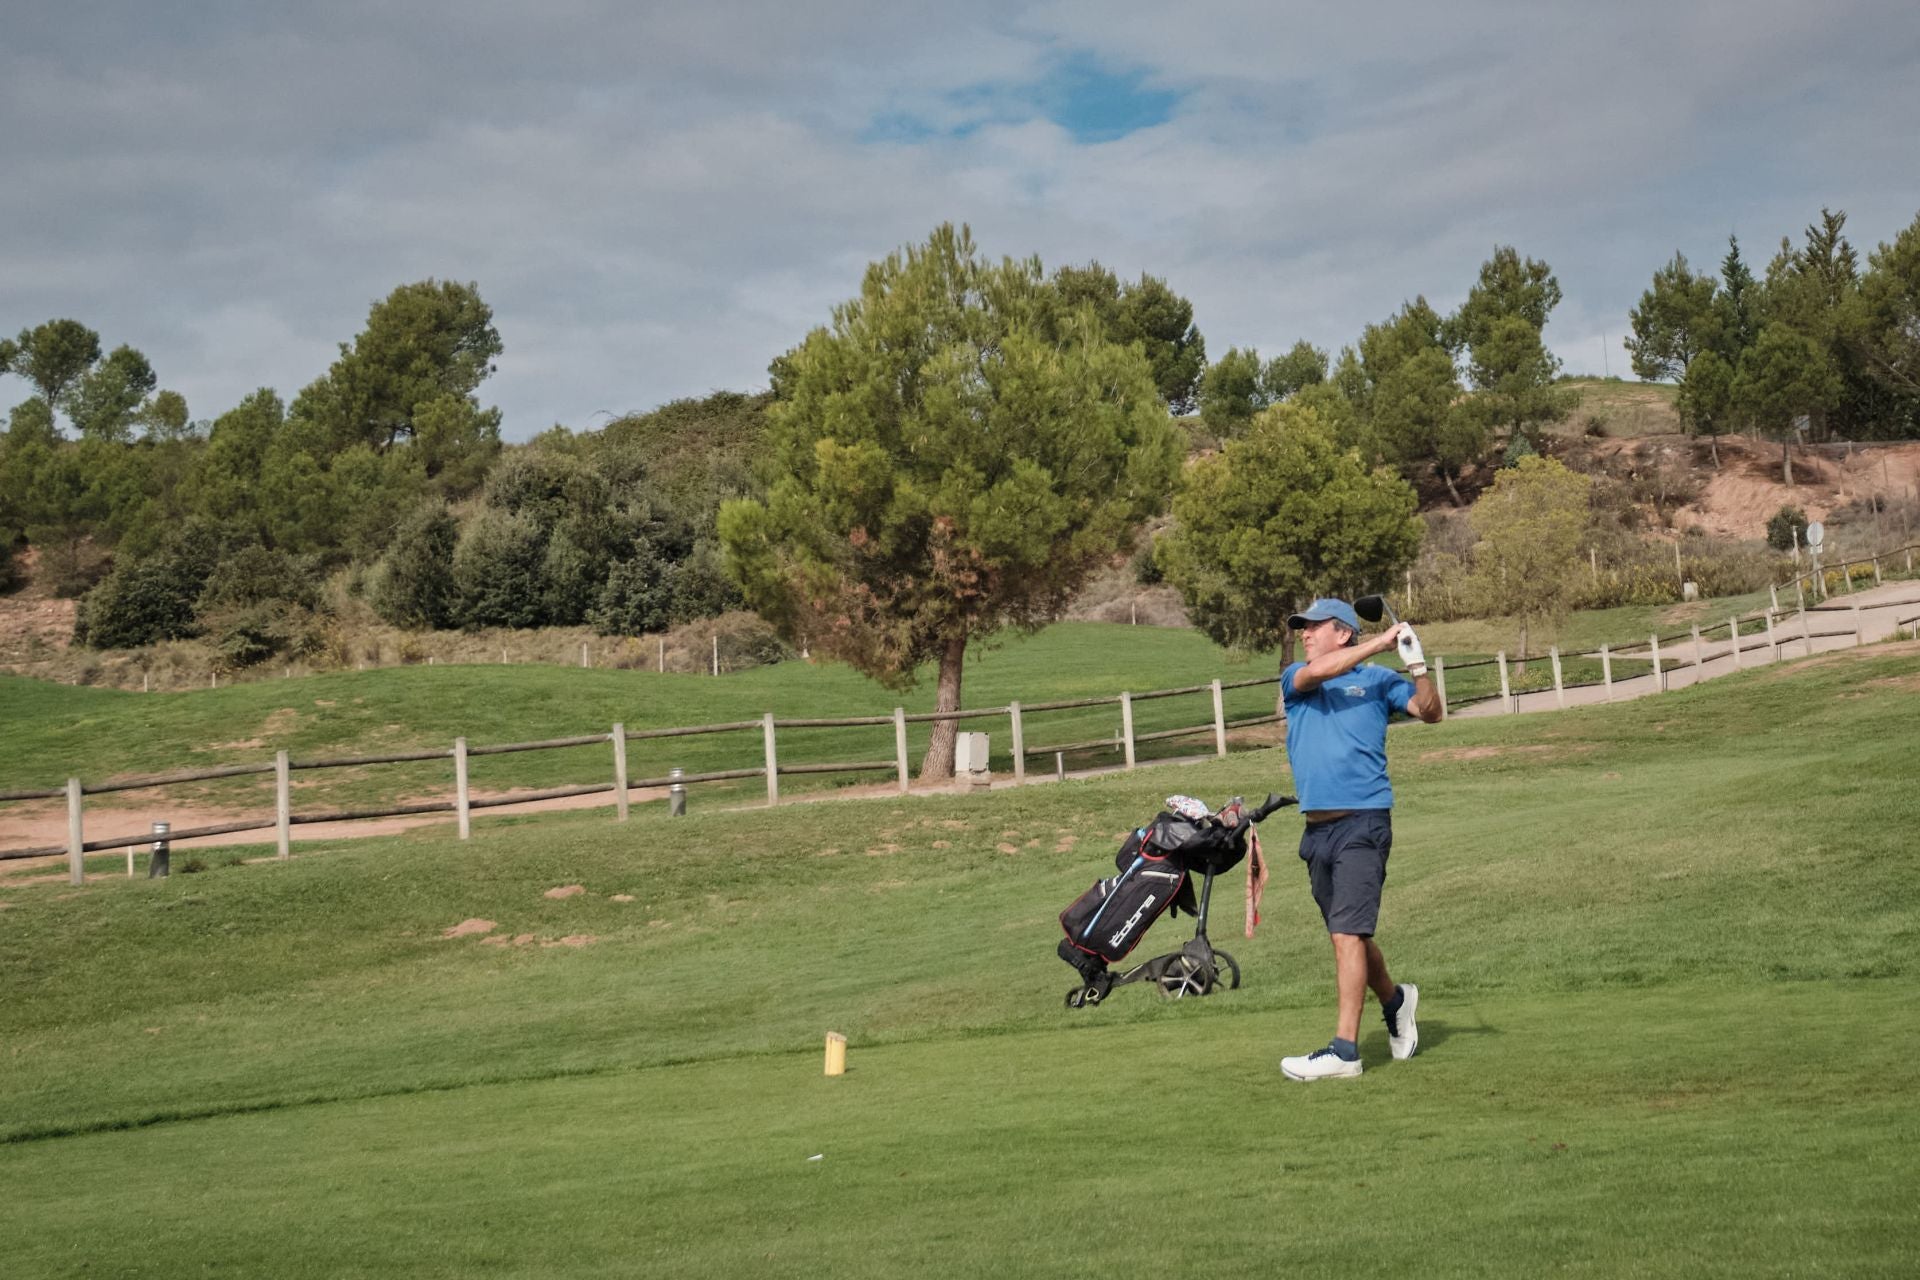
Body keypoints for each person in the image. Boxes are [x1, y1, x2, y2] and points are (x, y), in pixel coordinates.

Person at [1275, 597, 1442, 1081]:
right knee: (1349, 936)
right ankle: (1395, 998)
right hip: (1316, 831)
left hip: (1364, 822)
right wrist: (1382, 641)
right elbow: (1316, 673)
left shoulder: (1377, 682)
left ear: (1343, 632)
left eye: (1314, 627)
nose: (1304, 634)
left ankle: (1345, 1051)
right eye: (1301, 628)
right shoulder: (1296, 680)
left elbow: (1429, 712)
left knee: (1347, 934)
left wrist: (1416, 665)